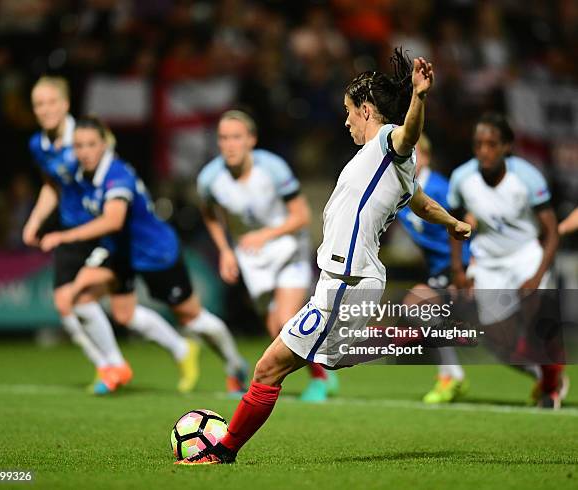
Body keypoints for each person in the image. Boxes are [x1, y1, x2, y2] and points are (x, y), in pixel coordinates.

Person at [177, 50, 471, 465]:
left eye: (349, 112)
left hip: (346, 285)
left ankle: (222, 452)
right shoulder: (388, 166)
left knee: (267, 369)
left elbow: (408, 135)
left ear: (366, 111)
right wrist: (453, 222)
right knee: (308, 361)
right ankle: (419, 331)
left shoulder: (389, 142)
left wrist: (419, 98)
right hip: (345, 283)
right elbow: (420, 202)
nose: (346, 120)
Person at [39, 116, 249, 394]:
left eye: (91, 144)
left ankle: (234, 365)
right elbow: (54, 184)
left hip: (155, 252)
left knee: (192, 318)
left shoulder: (117, 176)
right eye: (78, 145)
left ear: (105, 145)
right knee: (83, 299)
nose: (84, 151)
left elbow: (113, 220)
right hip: (120, 252)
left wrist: (64, 236)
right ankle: (116, 366)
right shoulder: (80, 172)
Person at [197, 110, 338, 402]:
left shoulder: (273, 169)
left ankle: (320, 379)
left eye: (236, 137)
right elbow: (209, 214)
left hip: (287, 246)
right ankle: (316, 366)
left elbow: (302, 216)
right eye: (223, 138)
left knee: (288, 319)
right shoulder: (209, 179)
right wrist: (225, 251)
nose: (230, 144)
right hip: (251, 255)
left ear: (251, 140)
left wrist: (265, 235)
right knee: (275, 327)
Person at [448, 112, 567, 409]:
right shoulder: (462, 178)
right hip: (488, 262)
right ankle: (547, 373)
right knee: (498, 340)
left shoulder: (527, 177)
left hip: (526, 255)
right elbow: (454, 226)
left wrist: (538, 275)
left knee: (539, 321)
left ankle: (550, 388)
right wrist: (459, 270)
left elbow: (551, 232)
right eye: (479, 145)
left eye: (491, 144)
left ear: (507, 147)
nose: (484, 151)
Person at [23, 76, 133, 394]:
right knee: (64, 303)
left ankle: (119, 363)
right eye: (38, 104)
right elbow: (52, 185)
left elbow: (113, 176)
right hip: (69, 229)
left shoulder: (86, 137)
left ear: (65, 104)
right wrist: (34, 222)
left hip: (101, 229)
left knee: (110, 306)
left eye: (50, 102)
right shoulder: (38, 145)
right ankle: (109, 367)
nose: (45, 110)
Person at [396, 133, 470, 404]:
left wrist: (462, 269)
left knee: (498, 337)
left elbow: (462, 226)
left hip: (462, 265)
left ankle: (452, 374)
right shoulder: (402, 190)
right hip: (441, 269)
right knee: (418, 307)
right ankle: (451, 375)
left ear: (425, 157)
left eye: (415, 153)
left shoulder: (439, 188)